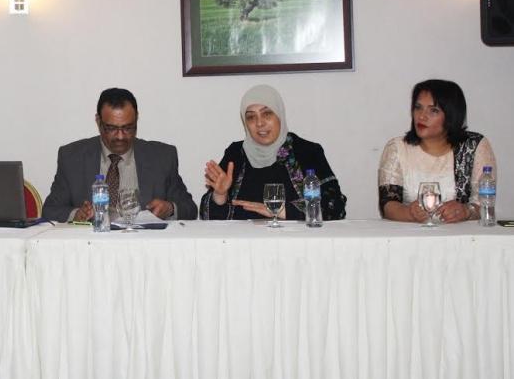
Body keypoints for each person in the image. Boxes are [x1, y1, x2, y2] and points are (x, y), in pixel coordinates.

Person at [43, 88, 197, 222]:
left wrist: (170, 208)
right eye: (111, 128)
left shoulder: (162, 157)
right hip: (91, 243)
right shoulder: (72, 158)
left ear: (136, 119)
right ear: (98, 121)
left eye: (128, 128)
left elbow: (189, 208)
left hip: (144, 242)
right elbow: (50, 210)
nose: (120, 136)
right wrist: (77, 214)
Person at [200, 84, 346, 220]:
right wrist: (220, 195)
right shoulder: (236, 154)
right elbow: (208, 216)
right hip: (243, 239)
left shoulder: (306, 151)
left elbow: (335, 206)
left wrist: (280, 210)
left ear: (279, 115)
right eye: (251, 117)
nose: (259, 123)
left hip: (295, 239)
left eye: (267, 114)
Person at [378, 79, 496, 223]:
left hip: (461, 233)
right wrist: (408, 213)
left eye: (433, 110)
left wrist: (466, 211)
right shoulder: (397, 148)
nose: (421, 116)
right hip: (411, 232)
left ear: (451, 116)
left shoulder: (474, 146)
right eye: (418, 107)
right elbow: (388, 205)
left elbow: (484, 205)